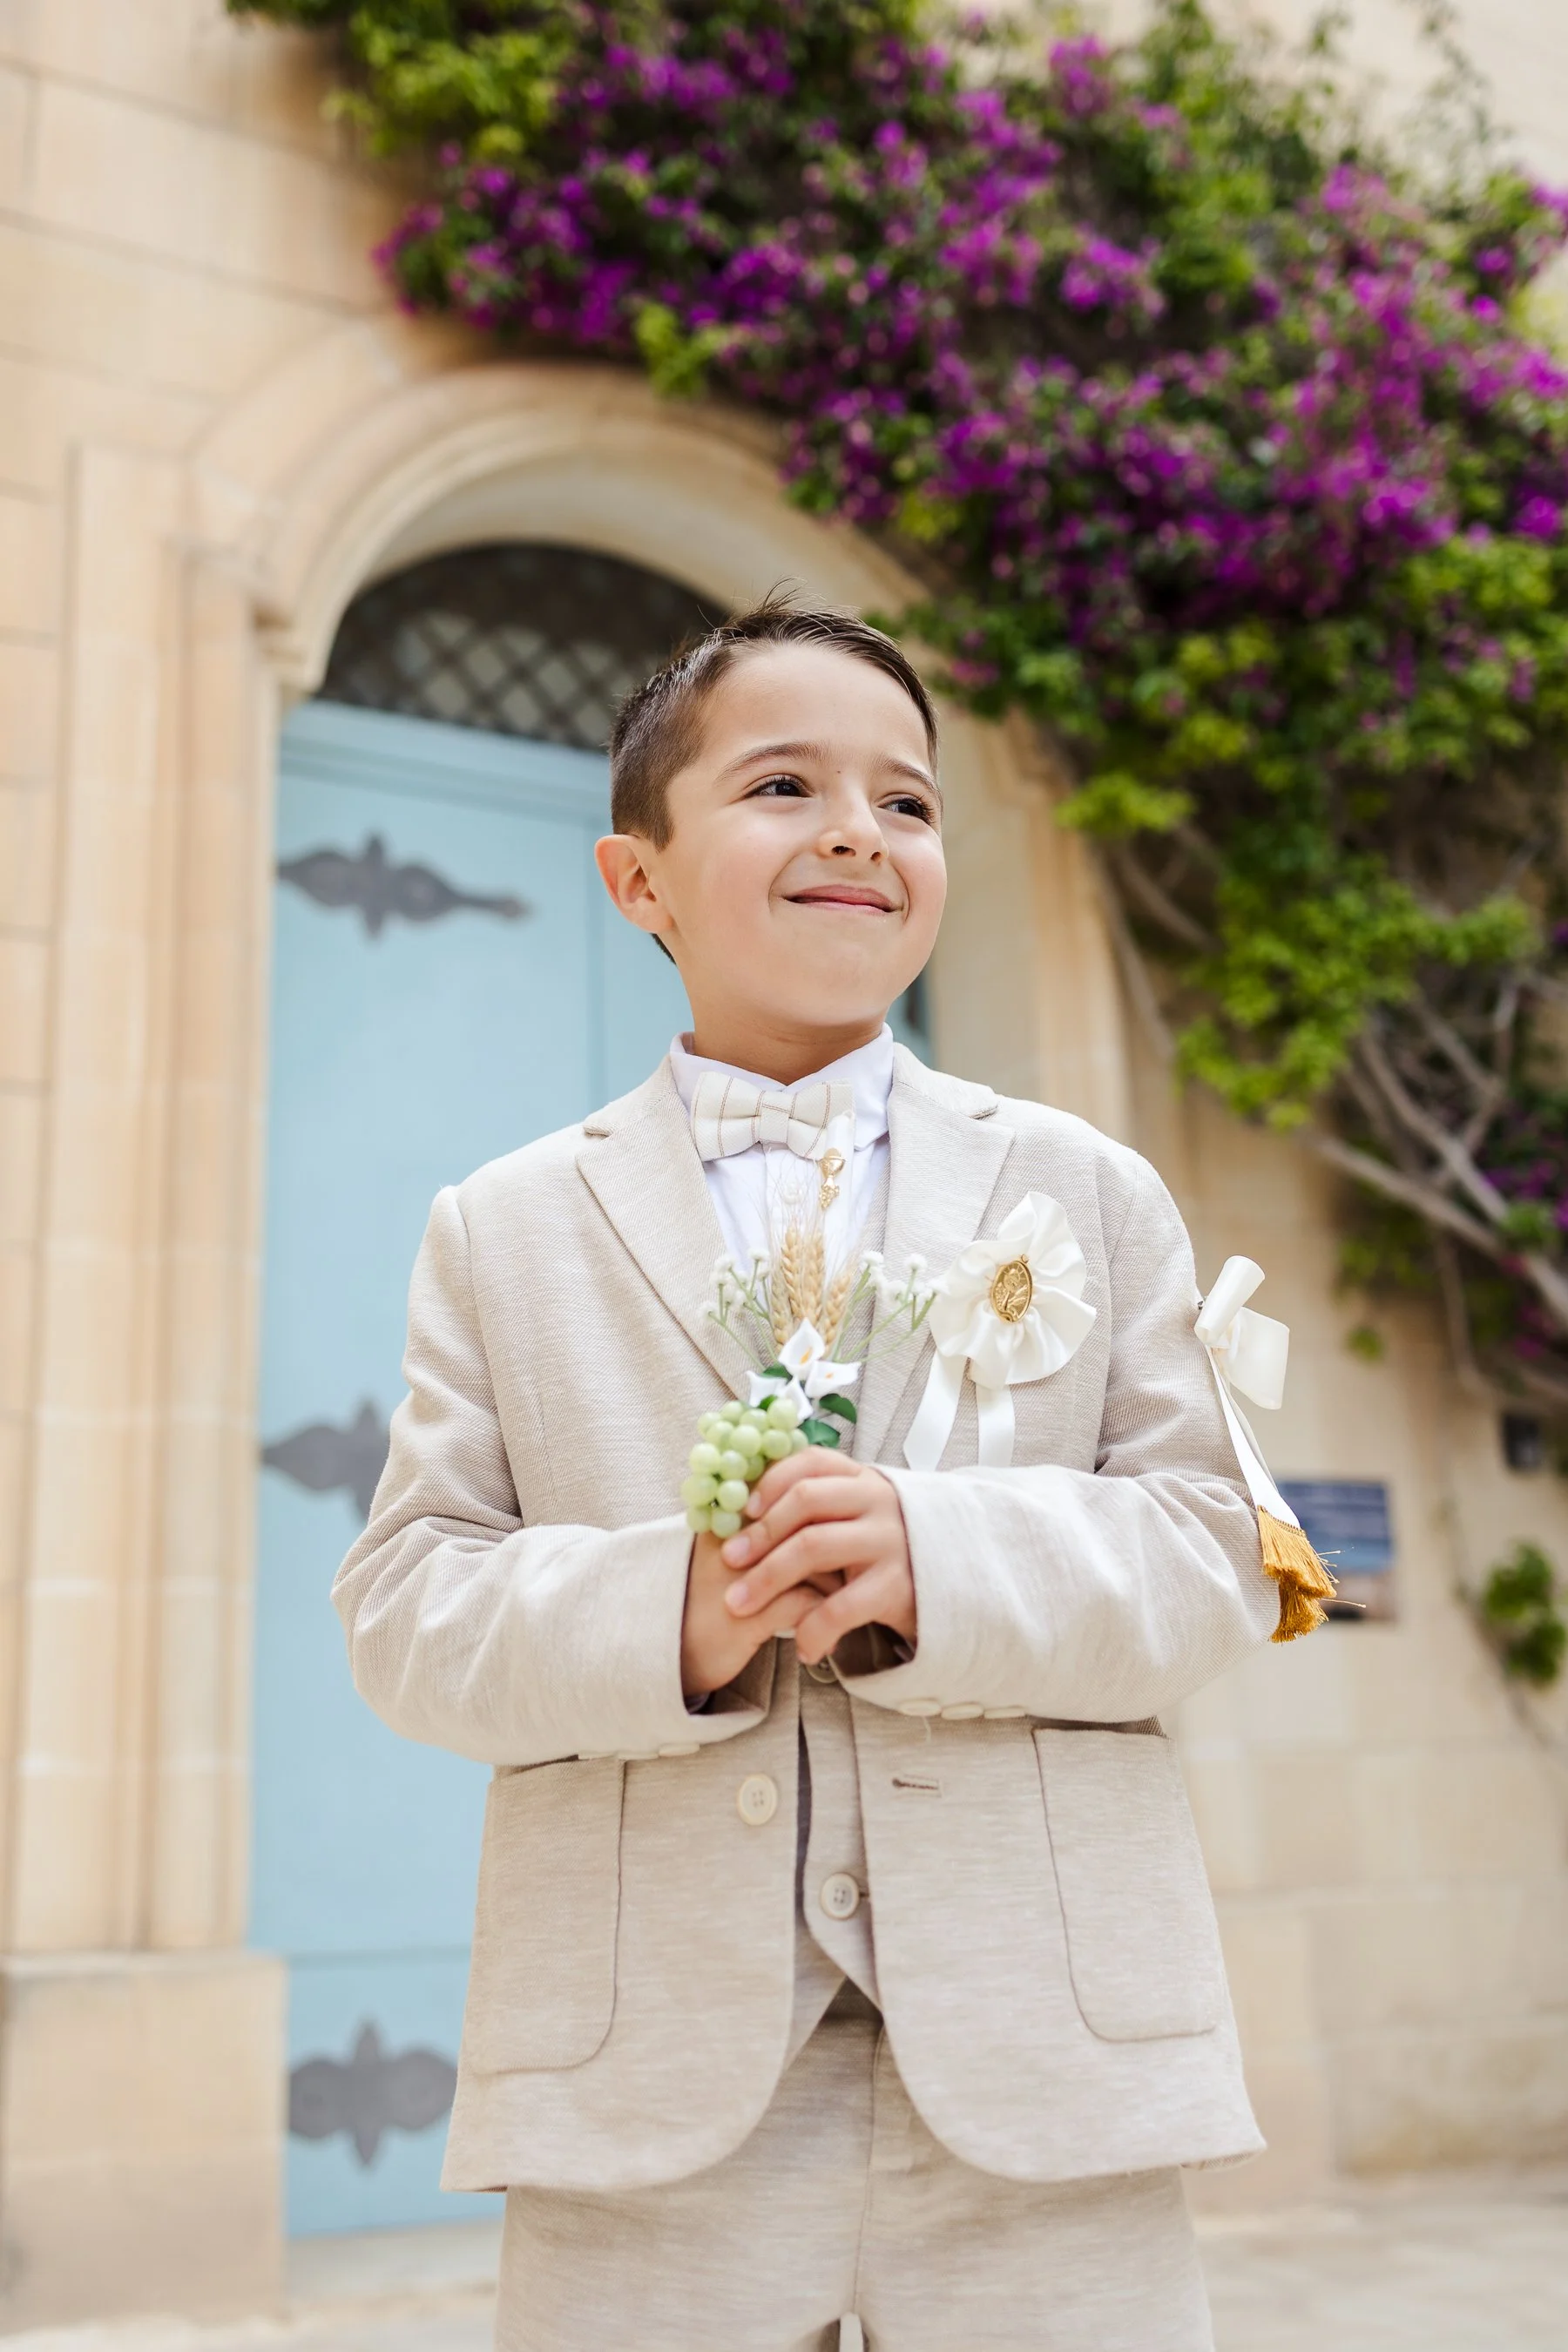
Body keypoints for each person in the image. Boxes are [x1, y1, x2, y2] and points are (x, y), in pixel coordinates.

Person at [333, 598, 1281, 2352]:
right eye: (783, 785)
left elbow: (1226, 1556)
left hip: (1047, 2070)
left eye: (907, 803)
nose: (860, 830)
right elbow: (404, 1606)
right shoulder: (507, 1226)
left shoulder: (1087, 1189)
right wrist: (664, 1609)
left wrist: (939, 1555)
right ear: (641, 881)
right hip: (650, 2099)